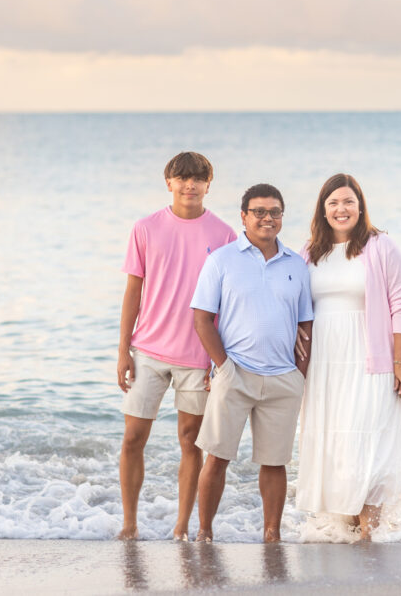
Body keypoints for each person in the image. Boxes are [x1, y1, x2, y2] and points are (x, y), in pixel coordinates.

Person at [115, 151, 236, 541]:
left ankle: (183, 526)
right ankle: (130, 524)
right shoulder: (146, 228)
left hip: (197, 357)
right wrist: (122, 350)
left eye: (198, 179)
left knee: (190, 441)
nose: (190, 185)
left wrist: (216, 361)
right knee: (133, 438)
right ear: (168, 183)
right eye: (182, 178)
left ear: (208, 185)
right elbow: (133, 291)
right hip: (147, 351)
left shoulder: (223, 235)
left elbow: (228, 303)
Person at [190, 183, 314, 543]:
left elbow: (305, 322)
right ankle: (204, 533)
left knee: (275, 463)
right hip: (235, 375)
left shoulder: (296, 265)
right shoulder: (222, 261)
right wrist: (224, 368)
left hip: (283, 380)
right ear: (243, 216)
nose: (267, 218)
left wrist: (299, 375)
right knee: (217, 457)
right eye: (258, 211)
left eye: (275, 212)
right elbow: (202, 319)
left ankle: (272, 535)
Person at [295, 173, 401, 541]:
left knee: (367, 438)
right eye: (333, 203)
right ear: (323, 210)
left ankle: (369, 529)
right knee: (335, 439)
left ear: (360, 206)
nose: (341, 209)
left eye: (348, 201)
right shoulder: (310, 251)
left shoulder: (380, 246)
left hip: (369, 357)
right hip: (324, 363)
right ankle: (340, 524)